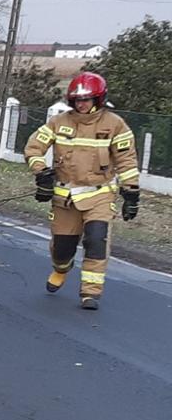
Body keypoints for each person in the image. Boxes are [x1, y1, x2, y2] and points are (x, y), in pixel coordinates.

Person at [23, 71, 143, 310]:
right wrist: (41, 172)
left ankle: (90, 292)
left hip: (99, 194)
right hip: (65, 197)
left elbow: (127, 161)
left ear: (98, 99)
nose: (81, 104)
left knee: (97, 239)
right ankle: (61, 268)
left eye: (86, 100)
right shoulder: (59, 122)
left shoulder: (115, 125)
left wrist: (131, 194)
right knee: (62, 248)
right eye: (77, 100)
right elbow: (33, 148)